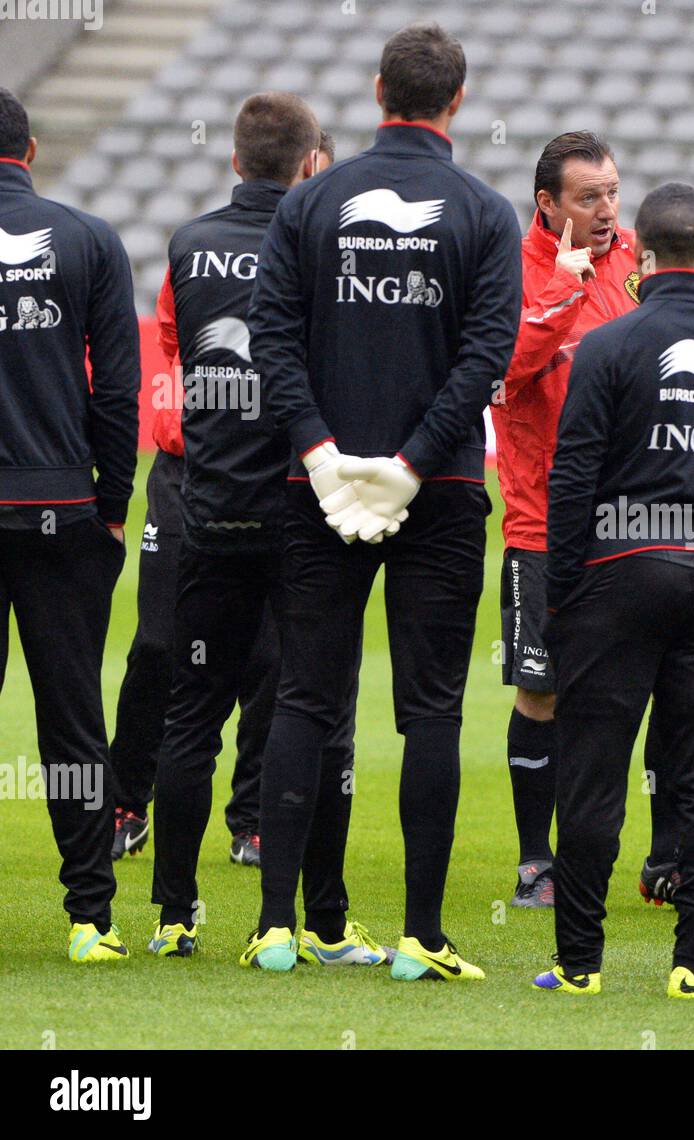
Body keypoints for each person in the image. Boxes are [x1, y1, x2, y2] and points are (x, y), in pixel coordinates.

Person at [246, 23, 521, 978]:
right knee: (432, 710)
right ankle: (422, 937)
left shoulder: (312, 201)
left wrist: (323, 456)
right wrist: (411, 463)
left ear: (376, 92)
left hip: (317, 488)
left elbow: (270, 336)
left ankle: (279, 926)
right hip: (438, 491)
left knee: (305, 699)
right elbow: (486, 357)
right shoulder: (486, 213)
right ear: (457, 99)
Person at [143, 94, 377, 966]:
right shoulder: (324, 242)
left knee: (190, 717)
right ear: (312, 163)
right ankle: (317, 919)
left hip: (210, 512)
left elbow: (181, 354)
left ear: (235, 159)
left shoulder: (189, 245)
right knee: (317, 716)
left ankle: (172, 913)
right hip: (303, 513)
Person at [534, 181, 694, 998]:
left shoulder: (609, 345)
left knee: (594, 771)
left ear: (640, 258)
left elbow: (571, 481)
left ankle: (579, 966)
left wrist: (562, 588)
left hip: (616, 570)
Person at [107, 125, 339, 871]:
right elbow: (176, 347)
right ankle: (124, 801)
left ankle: (253, 817)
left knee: (271, 659)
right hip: (188, 469)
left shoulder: (313, 253)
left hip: (281, 476)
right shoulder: (201, 251)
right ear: (303, 169)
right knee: (156, 647)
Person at [492, 131, 677, 909]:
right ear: (547, 205)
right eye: (588, 197)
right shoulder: (513, 273)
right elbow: (497, 376)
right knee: (544, 692)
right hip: (545, 521)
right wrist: (561, 295)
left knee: (655, 683)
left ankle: (662, 854)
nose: (607, 211)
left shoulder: (638, 258)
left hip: (635, 515)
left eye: (612, 192)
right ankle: (538, 862)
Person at [0, 86, 140, 961]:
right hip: (60, 509)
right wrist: (115, 505)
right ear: (34, 149)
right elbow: (117, 393)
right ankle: (91, 917)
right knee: (73, 719)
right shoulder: (89, 239)